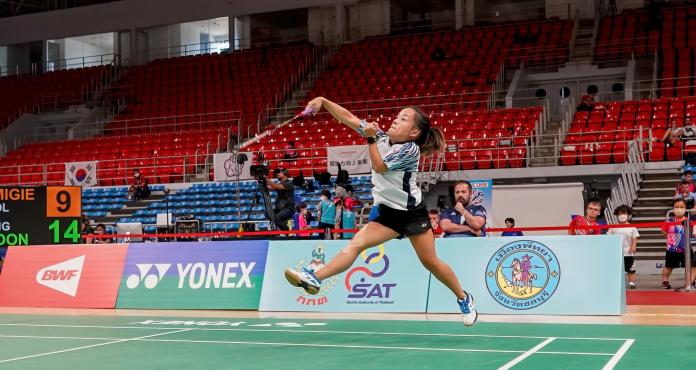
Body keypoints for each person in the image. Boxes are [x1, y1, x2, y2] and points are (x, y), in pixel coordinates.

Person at [284, 96, 478, 326]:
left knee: (430, 262)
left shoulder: (410, 150)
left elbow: (380, 166)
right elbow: (348, 118)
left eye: (403, 119)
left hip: (411, 212)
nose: (396, 120)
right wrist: (323, 102)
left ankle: (464, 298)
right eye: (397, 116)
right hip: (387, 213)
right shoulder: (381, 137)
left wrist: (369, 139)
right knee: (355, 244)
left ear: (414, 132)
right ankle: (314, 278)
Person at [660, 199, 696, 289]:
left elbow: (693, 232)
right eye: (676, 207)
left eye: (681, 207)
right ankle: (665, 281)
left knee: (691, 266)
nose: (679, 209)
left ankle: (690, 282)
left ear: (685, 208)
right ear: (673, 208)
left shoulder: (689, 221)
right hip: (672, 249)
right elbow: (663, 231)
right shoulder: (669, 221)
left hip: (686, 249)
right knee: (669, 266)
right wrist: (671, 239)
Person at [607, 205, 640, 289]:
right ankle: (616, 283)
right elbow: (608, 238)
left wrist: (633, 245)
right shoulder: (613, 227)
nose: (622, 215)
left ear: (628, 214)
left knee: (631, 269)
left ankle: (631, 282)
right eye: (619, 214)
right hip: (616, 253)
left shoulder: (632, 227)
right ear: (617, 215)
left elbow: (635, 237)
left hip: (628, 252)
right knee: (616, 269)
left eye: (624, 213)